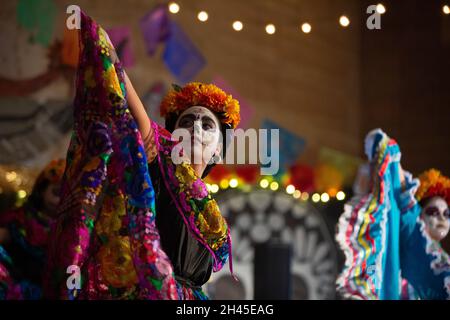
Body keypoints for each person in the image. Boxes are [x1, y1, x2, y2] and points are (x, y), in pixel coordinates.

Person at [44, 11, 238, 300]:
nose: (195, 127)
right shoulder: (157, 163)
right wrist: (105, 46)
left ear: (219, 149)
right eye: (186, 122)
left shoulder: (211, 212)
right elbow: (130, 107)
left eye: (207, 124)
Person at [336, 129, 450, 300]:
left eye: (447, 213)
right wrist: (391, 160)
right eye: (433, 212)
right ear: (419, 216)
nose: (441, 218)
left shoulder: (441, 264)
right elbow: (406, 207)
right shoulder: (410, 255)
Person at [0, 159, 65, 299]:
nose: (59, 201)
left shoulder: (71, 232)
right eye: (56, 193)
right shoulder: (21, 218)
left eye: (66, 197)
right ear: (42, 190)